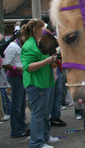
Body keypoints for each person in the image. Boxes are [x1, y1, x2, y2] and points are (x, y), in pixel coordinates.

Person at [20, 19, 59, 148]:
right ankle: (36, 142)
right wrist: (47, 61)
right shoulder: (29, 45)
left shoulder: (39, 43)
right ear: (35, 29)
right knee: (38, 113)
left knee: (44, 112)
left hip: (45, 82)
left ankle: (45, 136)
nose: (45, 29)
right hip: (36, 84)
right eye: (42, 27)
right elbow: (28, 67)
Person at [2, 19, 30, 137]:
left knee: (21, 104)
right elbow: (5, 63)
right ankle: (16, 130)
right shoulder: (13, 46)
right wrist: (19, 69)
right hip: (16, 78)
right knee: (16, 105)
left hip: (21, 77)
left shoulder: (20, 45)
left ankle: (22, 126)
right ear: (19, 35)